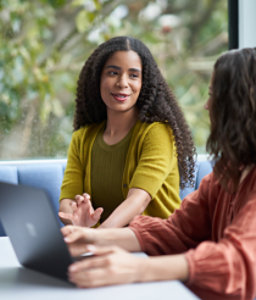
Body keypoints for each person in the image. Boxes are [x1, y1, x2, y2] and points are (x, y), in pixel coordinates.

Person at [62, 47, 256, 300]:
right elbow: (176, 232)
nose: (208, 106)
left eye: (214, 97)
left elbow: (240, 262)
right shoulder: (225, 175)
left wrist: (137, 268)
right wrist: (92, 238)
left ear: (241, 105)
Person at [58, 36, 195, 228]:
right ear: (97, 78)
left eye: (133, 75)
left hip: (157, 246)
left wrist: (95, 237)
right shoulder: (82, 138)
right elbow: (68, 200)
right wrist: (75, 217)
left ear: (144, 83)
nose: (123, 83)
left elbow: (137, 202)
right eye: (113, 73)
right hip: (108, 246)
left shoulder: (158, 133)